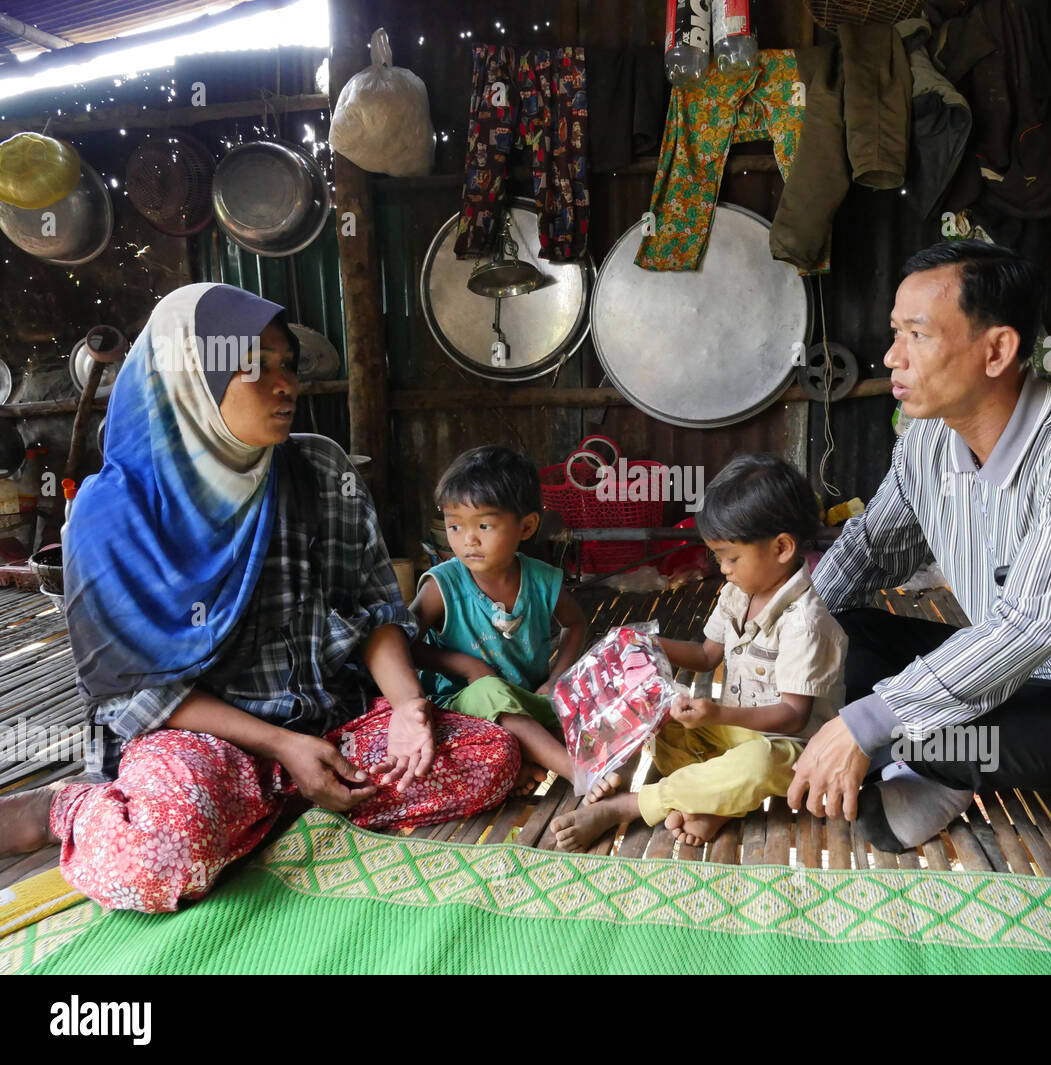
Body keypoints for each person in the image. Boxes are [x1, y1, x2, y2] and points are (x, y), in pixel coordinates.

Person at [0, 283, 520, 913]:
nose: (285, 386)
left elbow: (376, 611)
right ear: (190, 378)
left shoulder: (320, 470)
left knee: (491, 756)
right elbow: (134, 688)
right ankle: (68, 806)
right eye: (255, 367)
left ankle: (264, 803)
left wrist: (408, 707)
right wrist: (282, 748)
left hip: (330, 723)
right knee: (150, 861)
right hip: (198, 742)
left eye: (287, 366)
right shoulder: (112, 514)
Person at [789, 240, 1051, 851]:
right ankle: (913, 758)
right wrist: (775, 640)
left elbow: (1028, 628)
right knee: (835, 635)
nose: (892, 357)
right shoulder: (926, 443)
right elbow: (867, 551)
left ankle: (924, 765)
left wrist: (862, 723)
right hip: (1001, 674)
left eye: (917, 334)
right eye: (895, 332)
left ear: (997, 350)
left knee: (907, 731)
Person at [552, 454, 847, 852]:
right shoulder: (736, 594)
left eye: (731, 557)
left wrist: (718, 713)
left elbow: (794, 718)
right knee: (663, 719)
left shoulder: (804, 623)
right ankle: (711, 802)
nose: (721, 568)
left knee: (757, 765)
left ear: (781, 548)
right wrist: (646, 644)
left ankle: (631, 806)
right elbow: (707, 655)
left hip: (790, 749)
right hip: (734, 733)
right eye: (718, 557)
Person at [410, 446, 587, 796]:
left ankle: (527, 756)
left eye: (484, 525)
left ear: (527, 527)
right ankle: (577, 772)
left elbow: (577, 624)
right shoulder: (441, 586)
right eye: (455, 525)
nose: (468, 539)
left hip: (527, 699)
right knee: (490, 692)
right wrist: (465, 665)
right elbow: (402, 643)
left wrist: (555, 680)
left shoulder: (540, 580)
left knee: (589, 693)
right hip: (460, 710)